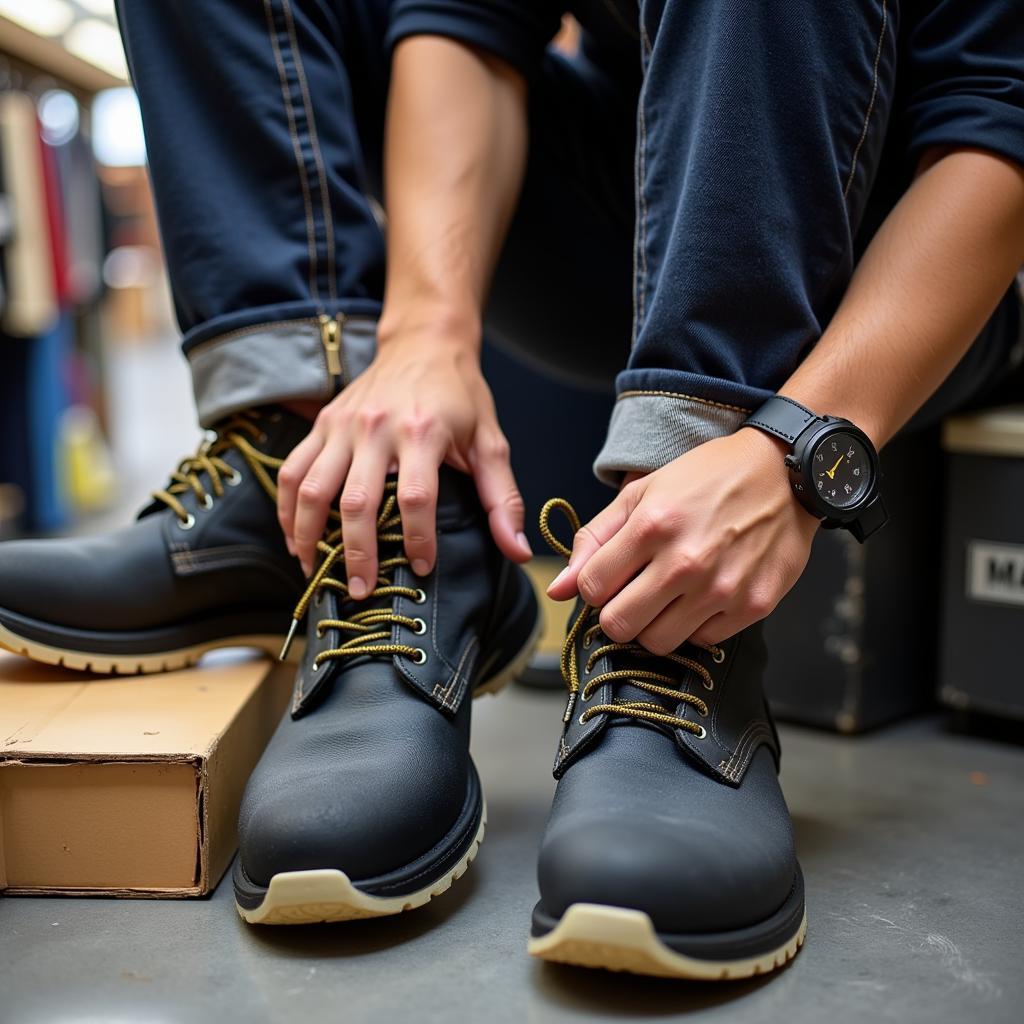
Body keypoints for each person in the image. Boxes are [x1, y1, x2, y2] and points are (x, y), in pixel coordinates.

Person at [2, 0, 1023, 980]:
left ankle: (674, 613)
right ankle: (333, 480)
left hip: (900, 268)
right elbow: (466, 22)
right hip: (626, 203)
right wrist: (423, 337)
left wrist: (796, 445)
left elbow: (993, 118)